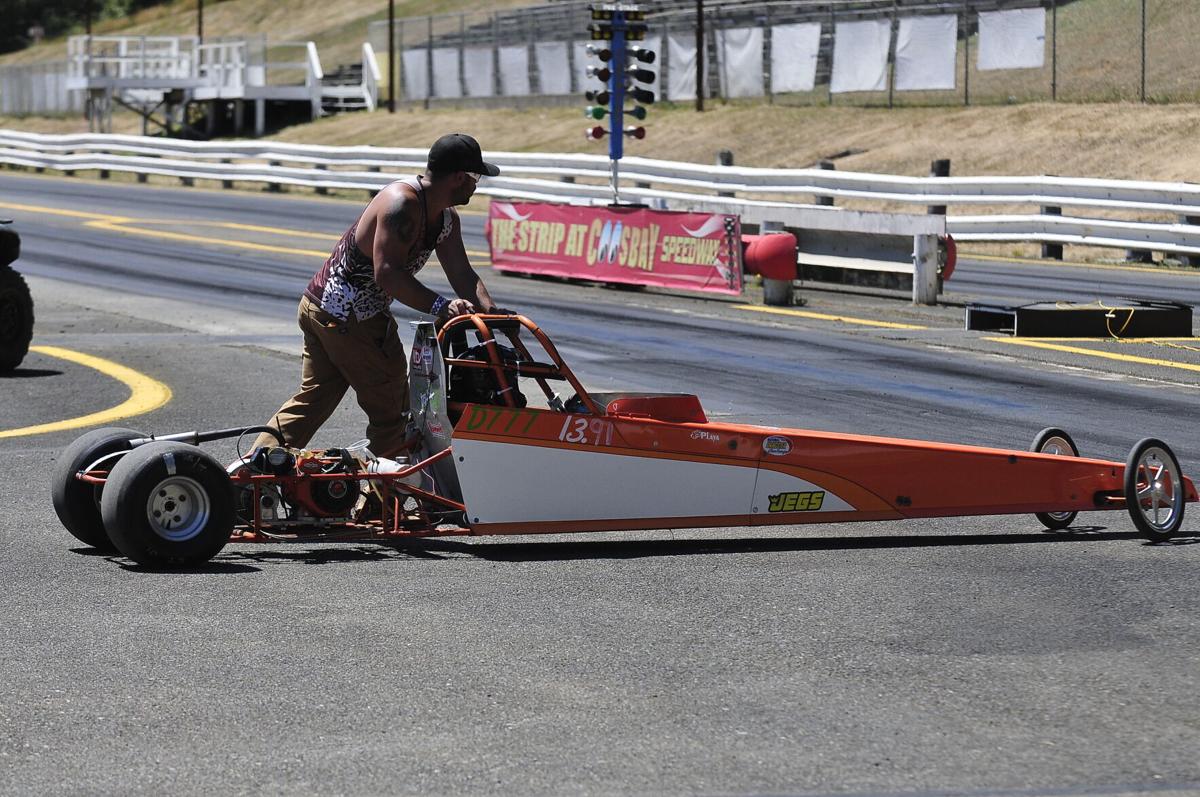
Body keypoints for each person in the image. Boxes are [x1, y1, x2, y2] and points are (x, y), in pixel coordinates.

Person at [252, 133, 504, 458]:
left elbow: (462, 274)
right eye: (475, 177)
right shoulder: (402, 204)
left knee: (313, 401)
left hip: (322, 308)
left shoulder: (444, 219)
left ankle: (251, 472)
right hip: (350, 316)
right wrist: (441, 306)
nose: (476, 185)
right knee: (395, 414)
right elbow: (386, 273)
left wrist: (495, 315)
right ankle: (382, 499)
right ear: (459, 177)